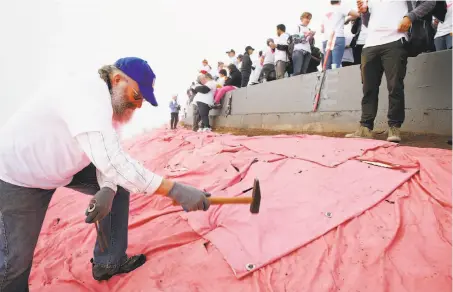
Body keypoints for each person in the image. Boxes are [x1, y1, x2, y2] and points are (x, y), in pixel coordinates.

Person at [0, 57, 212, 291]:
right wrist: (176, 190)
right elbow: (114, 163)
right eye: (137, 96)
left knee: (119, 186)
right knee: (14, 263)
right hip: (20, 177)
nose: (138, 105)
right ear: (117, 78)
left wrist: (108, 189)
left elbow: (111, 160)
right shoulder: (86, 94)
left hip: (65, 167)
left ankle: (109, 262)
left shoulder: (110, 114)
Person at [346, 0, 436, 142]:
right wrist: (364, 12)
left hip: (395, 40)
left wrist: (409, 17)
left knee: (394, 86)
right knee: (368, 89)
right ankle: (365, 127)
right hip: (370, 44)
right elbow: (368, 23)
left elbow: (430, 3)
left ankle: (394, 127)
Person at [321, 0, 359, 69]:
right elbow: (357, 15)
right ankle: (334, 79)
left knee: (327, 66)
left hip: (326, 39)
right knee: (335, 65)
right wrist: (348, 19)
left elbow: (322, 30)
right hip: (337, 37)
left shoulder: (325, 11)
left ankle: (327, 79)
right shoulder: (341, 7)